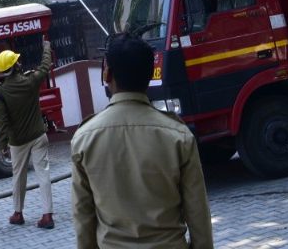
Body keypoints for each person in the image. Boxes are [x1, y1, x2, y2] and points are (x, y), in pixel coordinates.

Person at [70, 33, 214, 249]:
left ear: (107, 74)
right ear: (150, 75)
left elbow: (83, 218)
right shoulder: (178, 136)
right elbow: (198, 213)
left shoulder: (84, 139)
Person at [0, 39, 54, 229]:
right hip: (38, 136)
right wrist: (46, 48)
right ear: (16, 66)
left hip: (17, 142)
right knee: (43, 174)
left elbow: (2, 123)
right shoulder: (31, 81)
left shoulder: (0, 93)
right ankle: (47, 216)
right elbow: (45, 67)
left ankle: (18, 214)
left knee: (18, 177)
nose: (20, 62)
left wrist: (3, 146)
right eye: (17, 61)